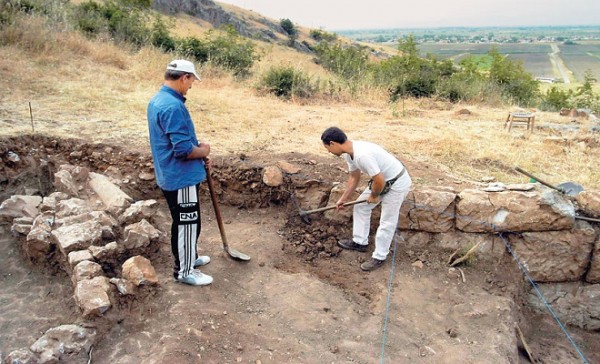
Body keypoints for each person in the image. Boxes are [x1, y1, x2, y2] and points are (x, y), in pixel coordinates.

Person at [147, 59, 213, 286]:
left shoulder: (159, 100)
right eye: (192, 80)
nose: (192, 85)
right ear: (184, 77)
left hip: (173, 174)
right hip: (180, 178)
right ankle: (184, 271)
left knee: (190, 222)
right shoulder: (173, 107)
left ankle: (191, 258)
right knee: (186, 224)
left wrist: (199, 153)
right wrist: (203, 150)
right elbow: (183, 150)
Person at [321, 127, 412, 271]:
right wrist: (343, 199)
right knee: (361, 207)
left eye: (327, 148)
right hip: (382, 181)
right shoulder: (348, 153)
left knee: (387, 220)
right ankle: (360, 242)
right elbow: (354, 177)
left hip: (396, 182)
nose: (328, 152)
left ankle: (379, 256)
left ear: (332, 143)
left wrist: (374, 196)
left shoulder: (362, 155)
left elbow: (379, 180)